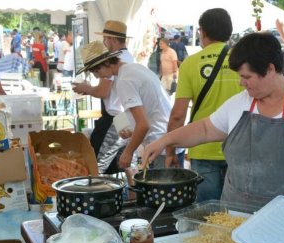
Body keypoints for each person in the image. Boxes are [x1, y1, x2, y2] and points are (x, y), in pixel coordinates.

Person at [142, 32, 284, 243]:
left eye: (246, 76)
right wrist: (166, 140)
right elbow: (206, 128)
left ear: (270, 69)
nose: (242, 83)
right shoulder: (240, 103)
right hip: (240, 224)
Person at [166, 8, 243, 202]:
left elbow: (178, 115)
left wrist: (170, 152)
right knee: (239, 214)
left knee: (208, 217)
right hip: (240, 147)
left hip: (203, 147)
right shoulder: (242, 61)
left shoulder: (190, 64)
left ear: (202, 31)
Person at [77, 41, 172, 169]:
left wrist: (128, 152)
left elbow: (143, 124)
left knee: (160, 185)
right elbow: (147, 110)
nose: (97, 76)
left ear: (106, 63)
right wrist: (130, 127)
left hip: (158, 143)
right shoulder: (135, 68)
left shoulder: (124, 80)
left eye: (96, 70)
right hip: (168, 139)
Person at [73, 20, 139, 174]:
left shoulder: (111, 61)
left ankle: (103, 195)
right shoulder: (128, 57)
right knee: (127, 164)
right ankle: (130, 195)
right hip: (125, 115)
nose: (96, 75)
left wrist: (87, 88)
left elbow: (103, 92)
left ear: (112, 39)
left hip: (116, 118)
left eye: (96, 71)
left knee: (99, 164)